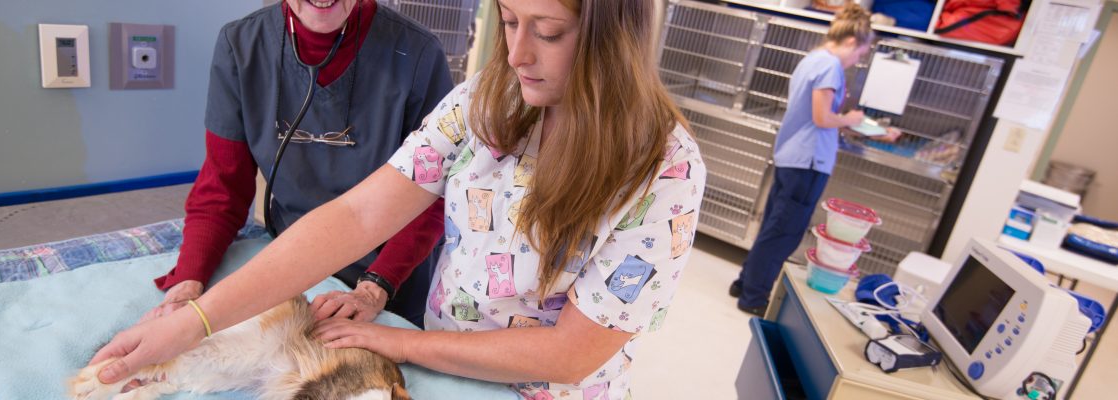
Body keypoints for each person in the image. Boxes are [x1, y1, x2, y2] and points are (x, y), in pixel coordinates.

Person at [88, 0, 706, 398]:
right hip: (441, 363)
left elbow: (570, 355)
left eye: (547, 32)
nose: (517, 54)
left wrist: (399, 340)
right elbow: (358, 215)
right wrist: (197, 320)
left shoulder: (663, 171)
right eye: (509, 22)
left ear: (611, 41)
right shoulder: (484, 102)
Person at [142, 0, 453, 328]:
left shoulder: (418, 54)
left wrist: (374, 288)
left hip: (389, 280)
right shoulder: (242, 46)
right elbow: (222, 187)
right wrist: (188, 282)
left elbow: (431, 195)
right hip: (292, 266)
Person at [729, 3, 901, 316]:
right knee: (784, 233)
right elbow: (823, 118)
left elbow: (818, 116)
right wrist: (850, 119)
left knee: (773, 226)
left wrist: (861, 126)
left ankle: (744, 283)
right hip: (808, 162)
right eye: (860, 53)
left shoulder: (812, 59)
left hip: (791, 155)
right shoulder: (830, 66)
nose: (857, 60)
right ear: (852, 41)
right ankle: (753, 296)